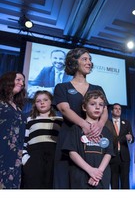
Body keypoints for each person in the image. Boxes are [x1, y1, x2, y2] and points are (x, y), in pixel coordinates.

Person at [53, 47, 108, 189]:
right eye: (84, 59)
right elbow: (64, 109)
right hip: (69, 138)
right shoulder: (62, 87)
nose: (89, 62)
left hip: (93, 140)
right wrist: (84, 125)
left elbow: (105, 112)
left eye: (90, 59)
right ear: (73, 62)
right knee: (65, 181)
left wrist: (99, 126)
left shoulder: (98, 88)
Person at [62, 90, 114, 189]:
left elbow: (108, 153)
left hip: (101, 177)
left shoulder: (106, 131)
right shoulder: (76, 129)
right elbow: (72, 153)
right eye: (93, 104)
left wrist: (98, 173)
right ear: (84, 107)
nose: (97, 107)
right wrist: (90, 170)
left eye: (101, 104)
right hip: (81, 176)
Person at [21, 90, 63, 189]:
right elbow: (24, 141)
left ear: (51, 102)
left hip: (54, 158)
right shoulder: (29, 120)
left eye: (45, 100)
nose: (42, 103)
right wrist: (26, 160)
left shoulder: (60, 120)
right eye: (38, 101)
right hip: (34, 158)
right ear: (35, 104)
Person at [0, 71, 26, 189]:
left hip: (14, 156)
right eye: (18, 80)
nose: (22, 83)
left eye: (23, 81)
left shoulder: (18, 107)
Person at [106, 103, 135, 189]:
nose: (118, 110)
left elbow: (132, 138)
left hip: (124, 157)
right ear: (111, 111)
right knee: (114, 182)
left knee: (125, 182)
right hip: (112, 156)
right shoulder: (107, 123)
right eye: (115, 108)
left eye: (119, 109)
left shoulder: (126, 123)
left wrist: (130, 138)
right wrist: (122, 138)